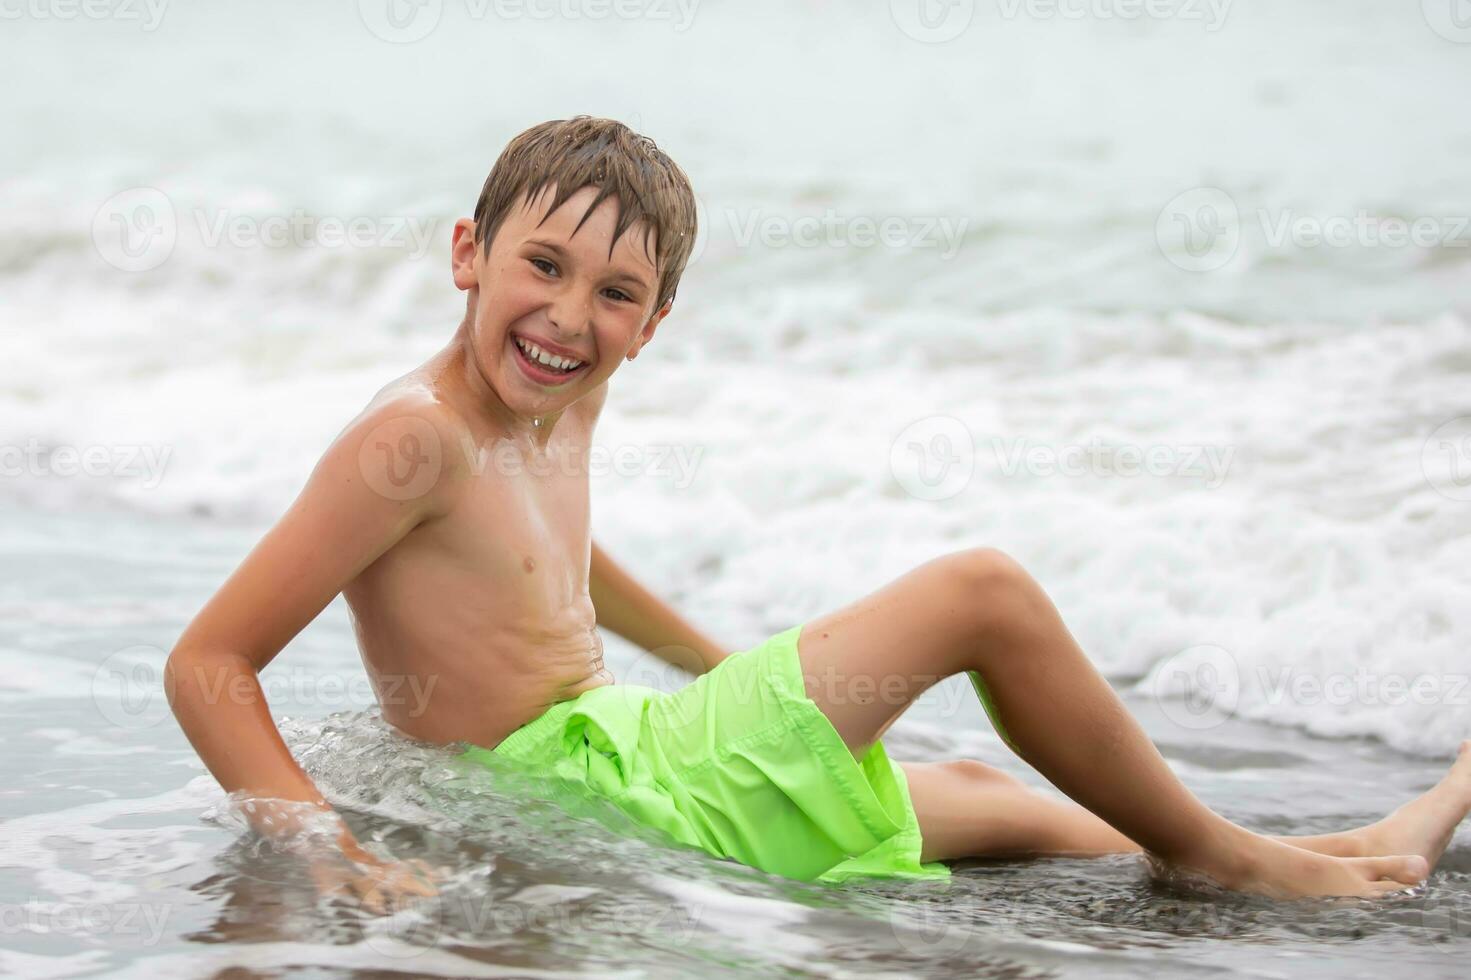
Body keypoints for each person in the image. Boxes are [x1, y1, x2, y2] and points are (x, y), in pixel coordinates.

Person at [166, 115, 1467, 912]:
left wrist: (715, 669)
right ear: (469, 252)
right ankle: (1219, 862)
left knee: (974, 790)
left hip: (632, 740)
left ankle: (1313, 839)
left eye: (617, 293)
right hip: (591, 783)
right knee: (984, 594)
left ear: (655, 322)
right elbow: (207, 664)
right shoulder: (413, 438)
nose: (571, 316)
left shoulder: (558, 395)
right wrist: (324, 847)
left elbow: (561, 566)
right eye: (543, 267)